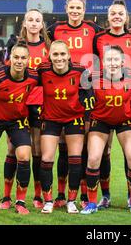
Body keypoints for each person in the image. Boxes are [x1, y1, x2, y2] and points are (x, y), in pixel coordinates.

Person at [48, 0, 104, 209]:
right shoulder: (55, 29)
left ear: (84, 9)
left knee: (83, 147)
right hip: (63, 94)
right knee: (63, 146)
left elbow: (106, 49)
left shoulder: (93, 29)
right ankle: (61, 194)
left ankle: (82, 194)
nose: (75, 11)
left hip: (86, 93)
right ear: (66, 8)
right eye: (71, 7)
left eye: (78, 8)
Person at [92, 0, 131, 209]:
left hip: (126, 99)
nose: (116, 16)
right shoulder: (98, 38)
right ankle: (105, 195)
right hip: (103, 97)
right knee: (103, 152)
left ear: (126, 17)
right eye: (113, 13)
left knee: (130, 154)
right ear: (108, 16)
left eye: (120, 13)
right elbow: (94, 63)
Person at [0, 43, 38, 215]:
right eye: (16, 57)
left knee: (25, 155)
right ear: (10, 58)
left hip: (17, 121)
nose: (19, 61)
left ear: (28, 60)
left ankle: (20, 201)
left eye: (23, 58)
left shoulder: (34, 76)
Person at [81, 45, 131, 215]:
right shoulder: (92, 77)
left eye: (116, 59)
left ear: (123, 61)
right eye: (109, 59)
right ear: (102, 62)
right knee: (93, 158)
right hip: (100, 121)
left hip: (125, 121)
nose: (113, 63)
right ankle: (93, 202)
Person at [0, 9, 50, 211]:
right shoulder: (16, 47)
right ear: (25, 23)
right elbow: (6, 73)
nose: (34, 23)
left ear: (42, 24)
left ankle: (37, 195)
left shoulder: (48, 47)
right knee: (12, 149)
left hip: (39, 104)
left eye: (38, 20)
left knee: (36, 150)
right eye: (30, 19)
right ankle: (5, 196)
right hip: (17, 104)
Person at [37, 41, 87, 214]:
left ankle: (71, 200)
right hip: (51, 119)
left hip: (74, 118)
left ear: (69, 55)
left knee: (75, 159)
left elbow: (91, 91)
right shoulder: (42, 71)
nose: (59, 58)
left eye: (62, 54)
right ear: (50, 56)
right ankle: (48, 201)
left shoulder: (80, 71)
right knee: (47, 158)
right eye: (55, 54)